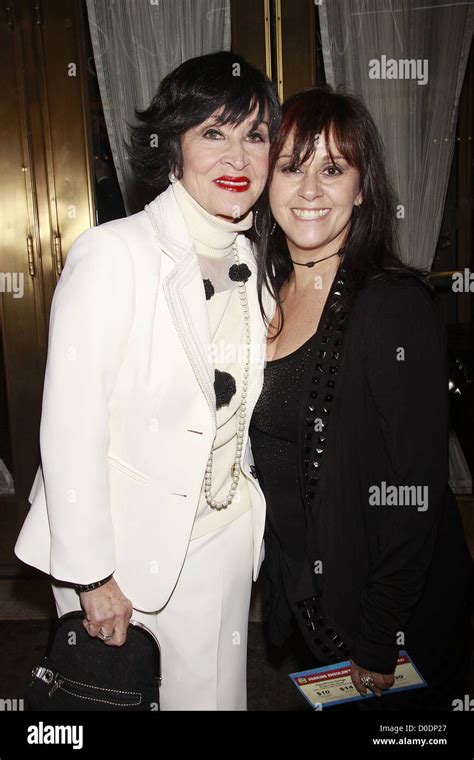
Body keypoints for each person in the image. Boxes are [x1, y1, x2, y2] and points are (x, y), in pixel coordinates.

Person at [15, 51, 280, 711]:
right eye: (213, 133)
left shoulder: (256, 259)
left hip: (220, 539)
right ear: (172, 148)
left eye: (254, 135)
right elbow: (71, 424)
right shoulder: (114, 253)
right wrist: (90, 576)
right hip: (121, 550)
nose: (238, 158)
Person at [250, 86, 473, 710]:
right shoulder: (259, 295)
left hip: (388, 618)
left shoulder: (393, 305)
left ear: (362, 186)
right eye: (292, 168)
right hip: (310, 601)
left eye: (333, 169)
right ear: (269, 181)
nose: (310, 190)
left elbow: (416, 488)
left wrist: (381, 634)